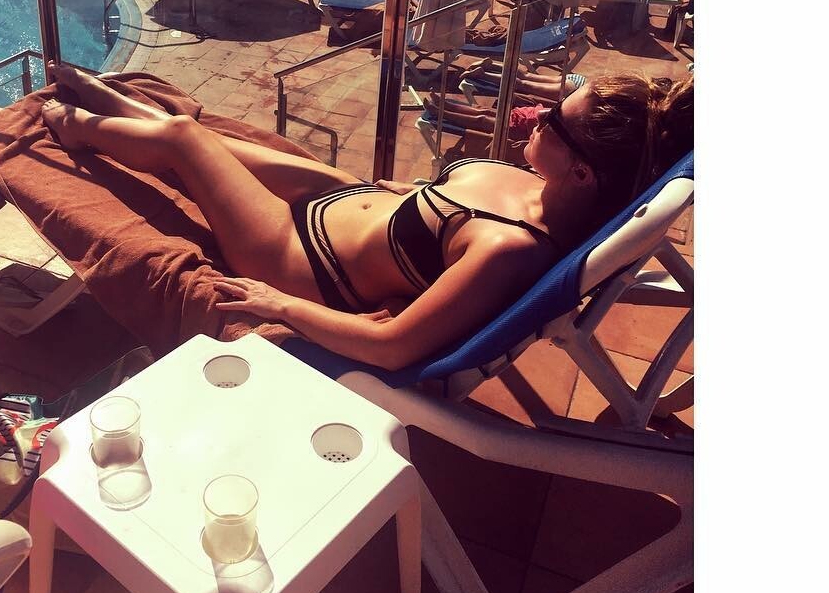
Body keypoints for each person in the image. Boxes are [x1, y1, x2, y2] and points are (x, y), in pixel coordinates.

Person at [41, 64, 693, 370]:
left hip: (295, 254)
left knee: (187, 141)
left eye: (555, 122)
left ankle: (76, 127)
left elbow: (394, 345)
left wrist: (278, 304)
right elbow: (442, 224)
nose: (537, 117)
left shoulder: (511, 249)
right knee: (202, 139)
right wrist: (414, 195)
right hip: (341, 200)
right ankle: (120, 110)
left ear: (583, 173)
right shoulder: (544, 190)